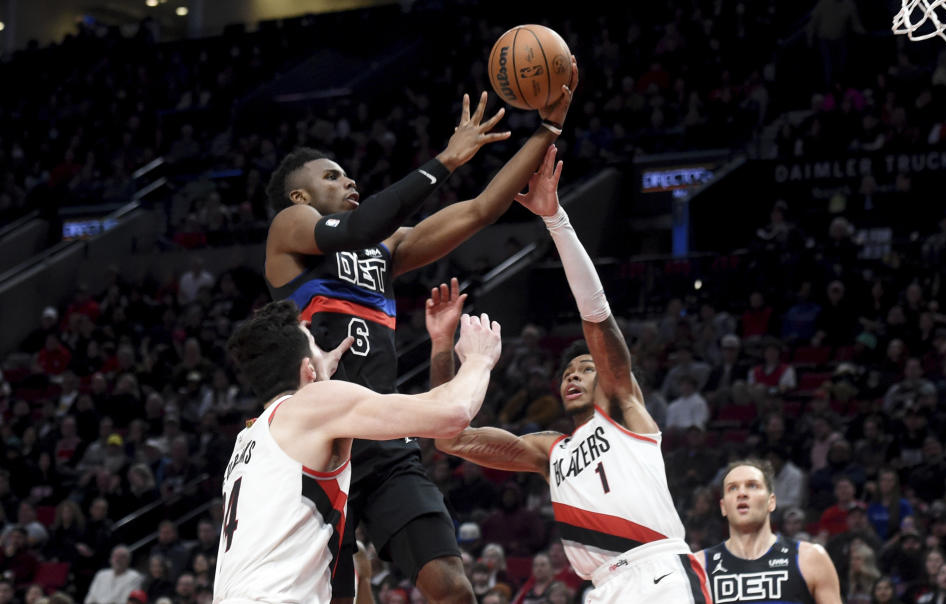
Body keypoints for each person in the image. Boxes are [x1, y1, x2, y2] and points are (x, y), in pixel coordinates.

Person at [264, 66, 577, 603]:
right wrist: (447, 158)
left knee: (453, 590)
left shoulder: (385, 252)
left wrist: (546, 129)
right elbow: (362, 227)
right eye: (334, 177)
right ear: (300, 197)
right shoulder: (289, 231)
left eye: (347, 175)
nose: (350, 182)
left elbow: (479, 210)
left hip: (384, 438)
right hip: (315, 447)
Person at [430, 148, 710, 602]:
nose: (574, 375)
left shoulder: (622, 410)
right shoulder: (550, 451)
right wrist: (443, 348)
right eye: (566, 371)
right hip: (600, 588)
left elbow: (597, 317)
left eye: (586, 367)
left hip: (657, 570)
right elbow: (448, 438)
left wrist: (556, 220)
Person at [212, 299, 502, 604]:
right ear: (307, 369)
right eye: (315, 345)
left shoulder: (247, 439)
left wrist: (320, 372)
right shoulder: (313, 405)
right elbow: (453, 412)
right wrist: (479, 360)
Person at [694, 460, 842, 603]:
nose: (742, 493)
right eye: (732, 488)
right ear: (723, 506)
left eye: (752, 485)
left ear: (771, 502)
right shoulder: (698, 566)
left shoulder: (810, 558)